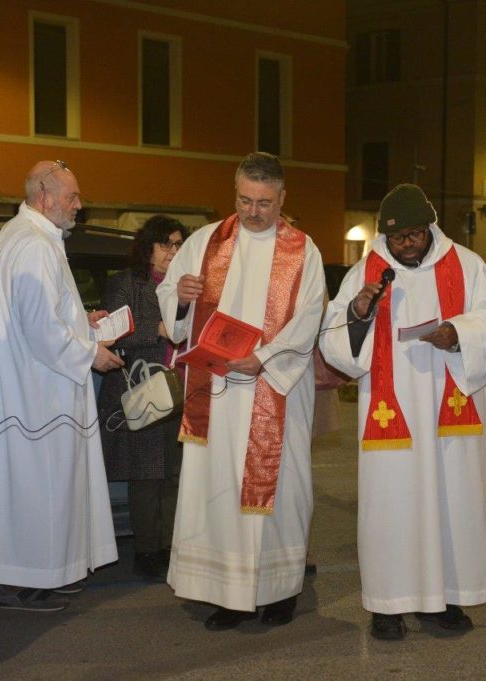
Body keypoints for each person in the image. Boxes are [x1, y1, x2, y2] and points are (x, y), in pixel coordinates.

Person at [320, 183, 486, 641]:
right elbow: (334, 340)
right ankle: (388, 606)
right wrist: (359, 312)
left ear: (431, 228)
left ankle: (445, 599)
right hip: (393, 416)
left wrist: (458, 332)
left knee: (453, 503)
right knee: (392, 509)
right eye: (397, 237)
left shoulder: (468, 266)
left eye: (415, 235)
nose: (407, 244)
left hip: (452, 413)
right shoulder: (365, 272)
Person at [156, 152, 324, 630]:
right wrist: (181, 298)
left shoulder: (303, 251)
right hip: (218, 393)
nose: (253, 211)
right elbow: (170, 298)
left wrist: (265, 357)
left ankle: (280, 590)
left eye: (264, 203)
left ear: (282, 198)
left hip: (274, 389)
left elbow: (310, 315)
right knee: (220, 491)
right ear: (235, 193)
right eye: (245, 200)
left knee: (283, 490)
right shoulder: (206, 242)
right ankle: (228, 594)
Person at [0, 160, 123, 612]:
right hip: (33, 398)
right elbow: (39, 328)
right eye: (72, 197)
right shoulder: (33, 244)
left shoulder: (28, 236)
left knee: (37, 490)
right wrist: (90, 354)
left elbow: (43, 313)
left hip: (30, 391)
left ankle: (43, 575)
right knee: (34, 491)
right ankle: (21, 583)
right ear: (44, 195)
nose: (78, 205)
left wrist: (82, 320)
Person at [97, 215, 188, 581]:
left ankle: (170, 547)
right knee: (146, 476)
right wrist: (159, 329)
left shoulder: (186, 286)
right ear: (147, 247)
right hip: (143, 388)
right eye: (165, 244)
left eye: (179, 244)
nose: (173, 251)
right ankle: (147, 551)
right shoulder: (125, 283)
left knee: (175, 475)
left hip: (182, 389)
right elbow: (111, 332)